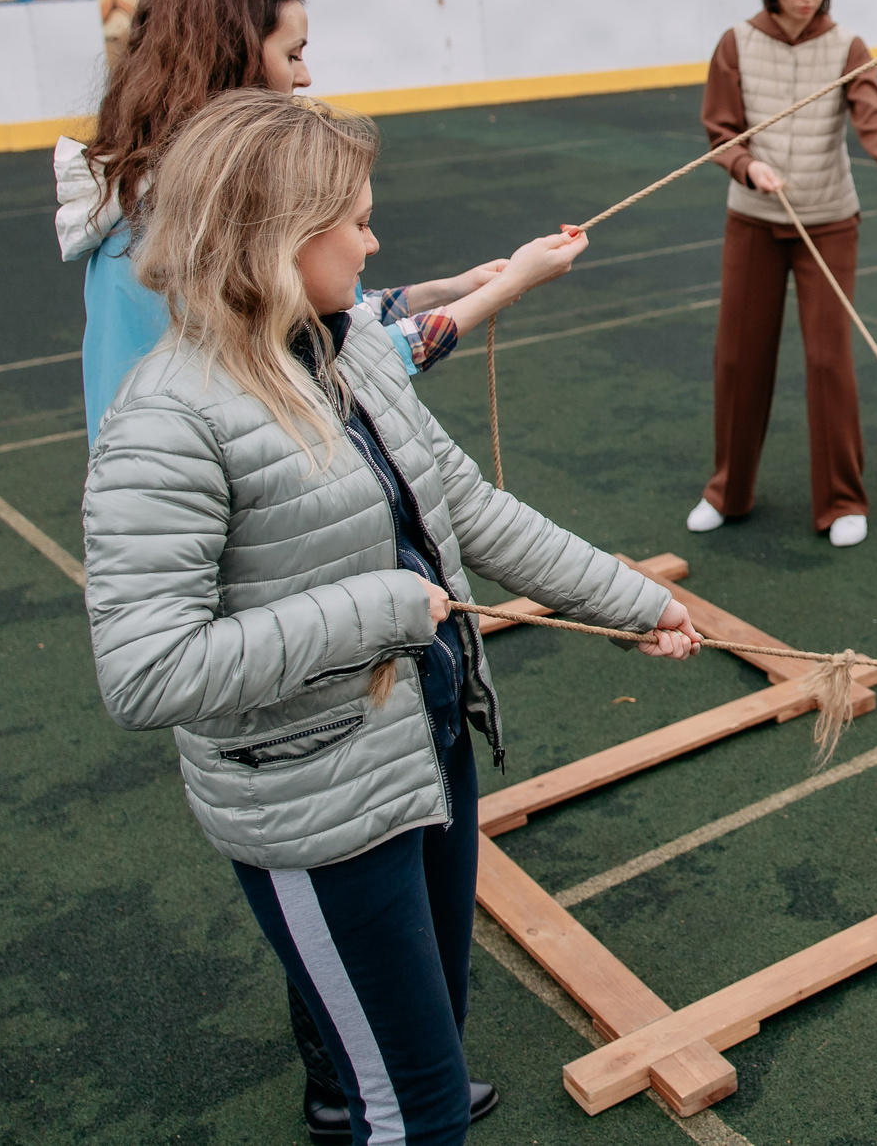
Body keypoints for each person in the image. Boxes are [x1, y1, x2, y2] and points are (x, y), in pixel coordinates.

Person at [83, 90, 702, 1146]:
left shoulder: (346, 347)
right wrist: (377, 608)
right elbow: (145, 671)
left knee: (427, 1058)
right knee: (405, 1110)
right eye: (359, 221)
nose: (377, 240)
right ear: (280, 237)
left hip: (421, 749)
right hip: (316, 804)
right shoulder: (168, 418)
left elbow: (465, 505)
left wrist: (635, 599)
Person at [57, 0, 586, 446]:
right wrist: (503, 288)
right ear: (234, 58)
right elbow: (346, 363)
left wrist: (450, 287)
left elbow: (328, 319)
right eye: (292, 55)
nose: (305, 76)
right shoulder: (195, 225)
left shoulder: (143, 193)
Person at [687, 0, 877, 549]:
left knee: (829, 361)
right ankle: (729, 490)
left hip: (829, 222)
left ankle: (842, 500)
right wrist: (749, 167)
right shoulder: (737, 43)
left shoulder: (846, 46)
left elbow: (874, 121)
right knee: (738, 358)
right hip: (753, 220)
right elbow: (722, 131)